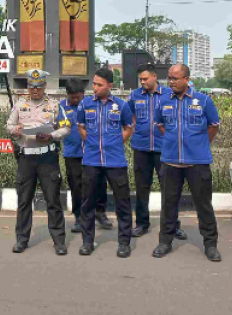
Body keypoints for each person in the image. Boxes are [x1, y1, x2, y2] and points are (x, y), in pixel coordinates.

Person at [152, 64, 222, 262]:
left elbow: (213, 126)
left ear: (187, 79)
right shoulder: (164, 101)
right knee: (168, 205)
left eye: (175, 78)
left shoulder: (203, 100)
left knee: (204, 205)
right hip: (170, 162)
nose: (171, 82)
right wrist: (174, 142)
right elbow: (160, 125)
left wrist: (198, 144)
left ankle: (210, 245)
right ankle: (165, 242)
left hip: (197, 162)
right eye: (169, 78)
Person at [6, 69, 70, 256]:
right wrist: (15, 130)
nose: (35, 90)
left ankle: (59, 241)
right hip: (26, 157)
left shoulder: (54, 105)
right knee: (24, 200)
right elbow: (8, 126)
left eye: (38, 87)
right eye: (31, 87)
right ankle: (21, 240)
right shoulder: (19, 105)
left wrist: (51, 135)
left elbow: (66, 127)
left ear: (44, 86)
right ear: (28, 87)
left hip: (47, 158)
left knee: (53, 200)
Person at [76, 67, 135, 258]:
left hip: (115, 162)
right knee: (88, 203)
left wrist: (116, 143)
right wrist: (92, 143)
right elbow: (81, 127)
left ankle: (124, 243)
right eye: (94, 84)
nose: (95, 88)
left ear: (110, 86)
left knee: (123, 203)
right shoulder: (85, 104)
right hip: (91, 161)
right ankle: (87, 241)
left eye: (99, 85)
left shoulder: (121, 105)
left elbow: (128, 127)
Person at [128, 63, 186, 240]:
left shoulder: (169, 94)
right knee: (141, 189)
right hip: (141, 148)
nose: (143, 82)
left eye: (145, 79)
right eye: (140, 79)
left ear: (154, 77)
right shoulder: (135, 95)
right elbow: (130, 116)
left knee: (170, 190)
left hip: (165, 150)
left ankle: (173, 225)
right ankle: (141, 224)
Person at [60, 78, 109, 233]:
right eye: (73, 97)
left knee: (99, 183)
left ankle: (100, 213)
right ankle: (79, 217)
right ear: (67, 95)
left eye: (78, 97)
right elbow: (61, 127)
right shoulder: (62, 107)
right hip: (72, 153)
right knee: (76, 186)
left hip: (93, 152)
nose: (76, 100)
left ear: (83, 94)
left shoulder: (91, 103)